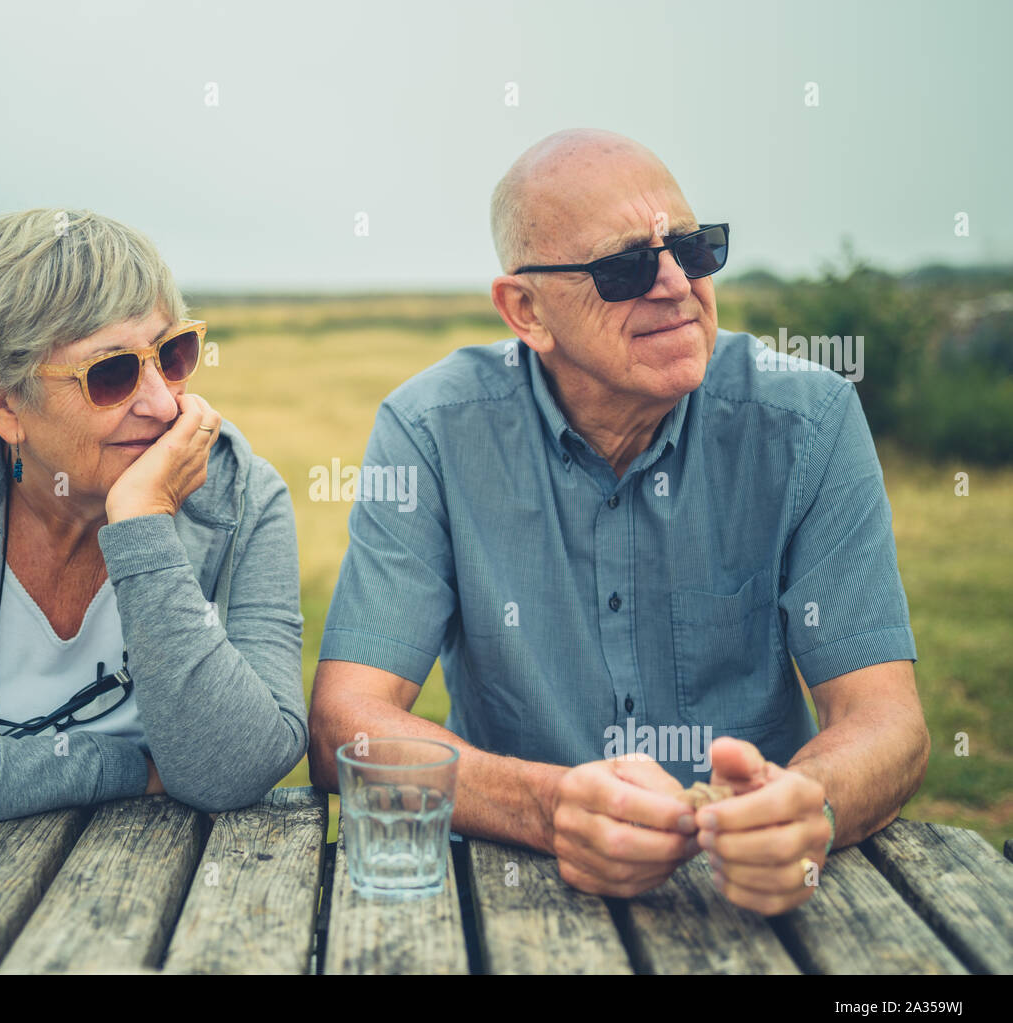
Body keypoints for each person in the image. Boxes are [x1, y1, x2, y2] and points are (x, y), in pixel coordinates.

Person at [308, 129, 929, 916]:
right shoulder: (430, 431)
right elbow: (345, 724)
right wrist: (547, 806)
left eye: (693, 249)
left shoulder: (809, 421)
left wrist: (808, 805)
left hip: (751, 902)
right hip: (516, 898)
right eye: (626, 266)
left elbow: (889, 719)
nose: (675, 284)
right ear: (525, 310)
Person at [0, 208, 307, 833]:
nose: (161, 402)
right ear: (2, 400)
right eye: (113, 372)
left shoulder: (238, 495)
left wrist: (143, 527)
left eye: (171, 354)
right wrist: (119, 767)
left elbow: (238, 767)